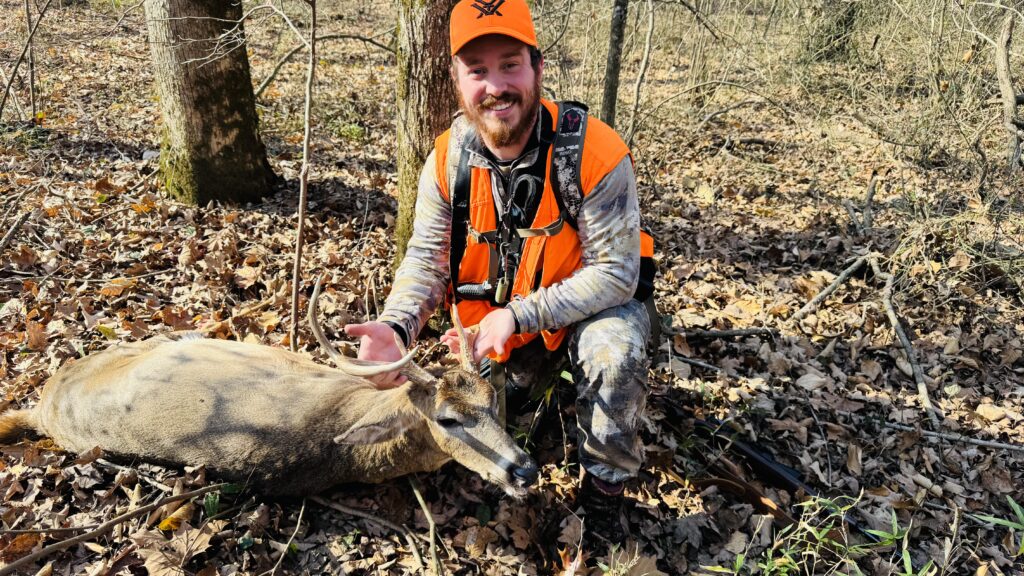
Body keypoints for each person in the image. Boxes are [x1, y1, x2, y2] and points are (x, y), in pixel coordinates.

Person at [344, 0, 651, 542]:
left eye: (510, 64)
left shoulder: (594, 153)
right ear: (456, 80)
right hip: (491, 336)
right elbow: (426, 261)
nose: (496, 86)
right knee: (465, 416)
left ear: (536, 67)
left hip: (582, 313)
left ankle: (603, 495)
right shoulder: (445, 161)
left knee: (614, 350)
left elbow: (617, 274)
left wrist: (519, 314)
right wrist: (397, 327)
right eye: (478, 70)